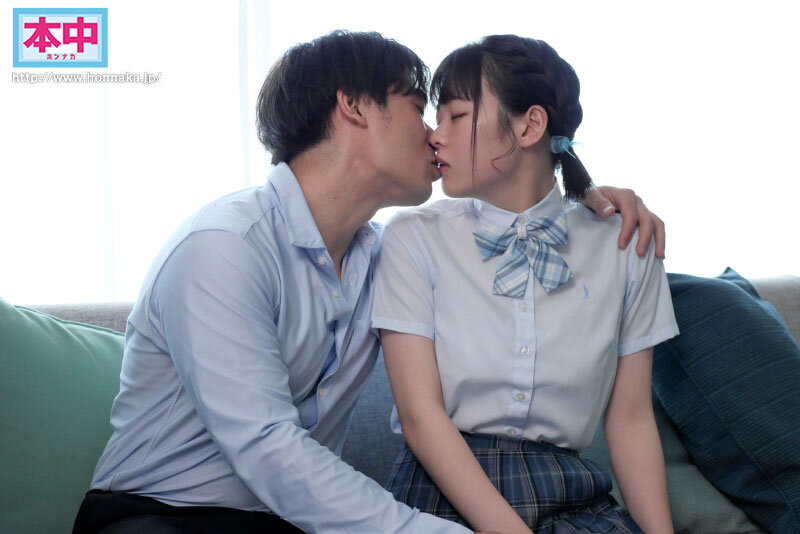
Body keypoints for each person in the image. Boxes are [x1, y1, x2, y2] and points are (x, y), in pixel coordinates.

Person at [72, 31, 667, 533]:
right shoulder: (225, 247)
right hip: (161, 514)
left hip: (287, 521)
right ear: (354, 108)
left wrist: (589, 200)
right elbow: (266, 444)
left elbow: (504, 231)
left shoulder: (384, 254)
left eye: (451, 116)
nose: (433, 134)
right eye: (419, 108)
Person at [372, 34, 679, 534]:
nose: (435, 135)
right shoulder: (414, 238)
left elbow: (630, 420)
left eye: (456, 116)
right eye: (436, 117)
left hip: (571, 494)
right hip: (441, 490)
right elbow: (421, 418)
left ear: (530, 124)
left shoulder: (625, 244)